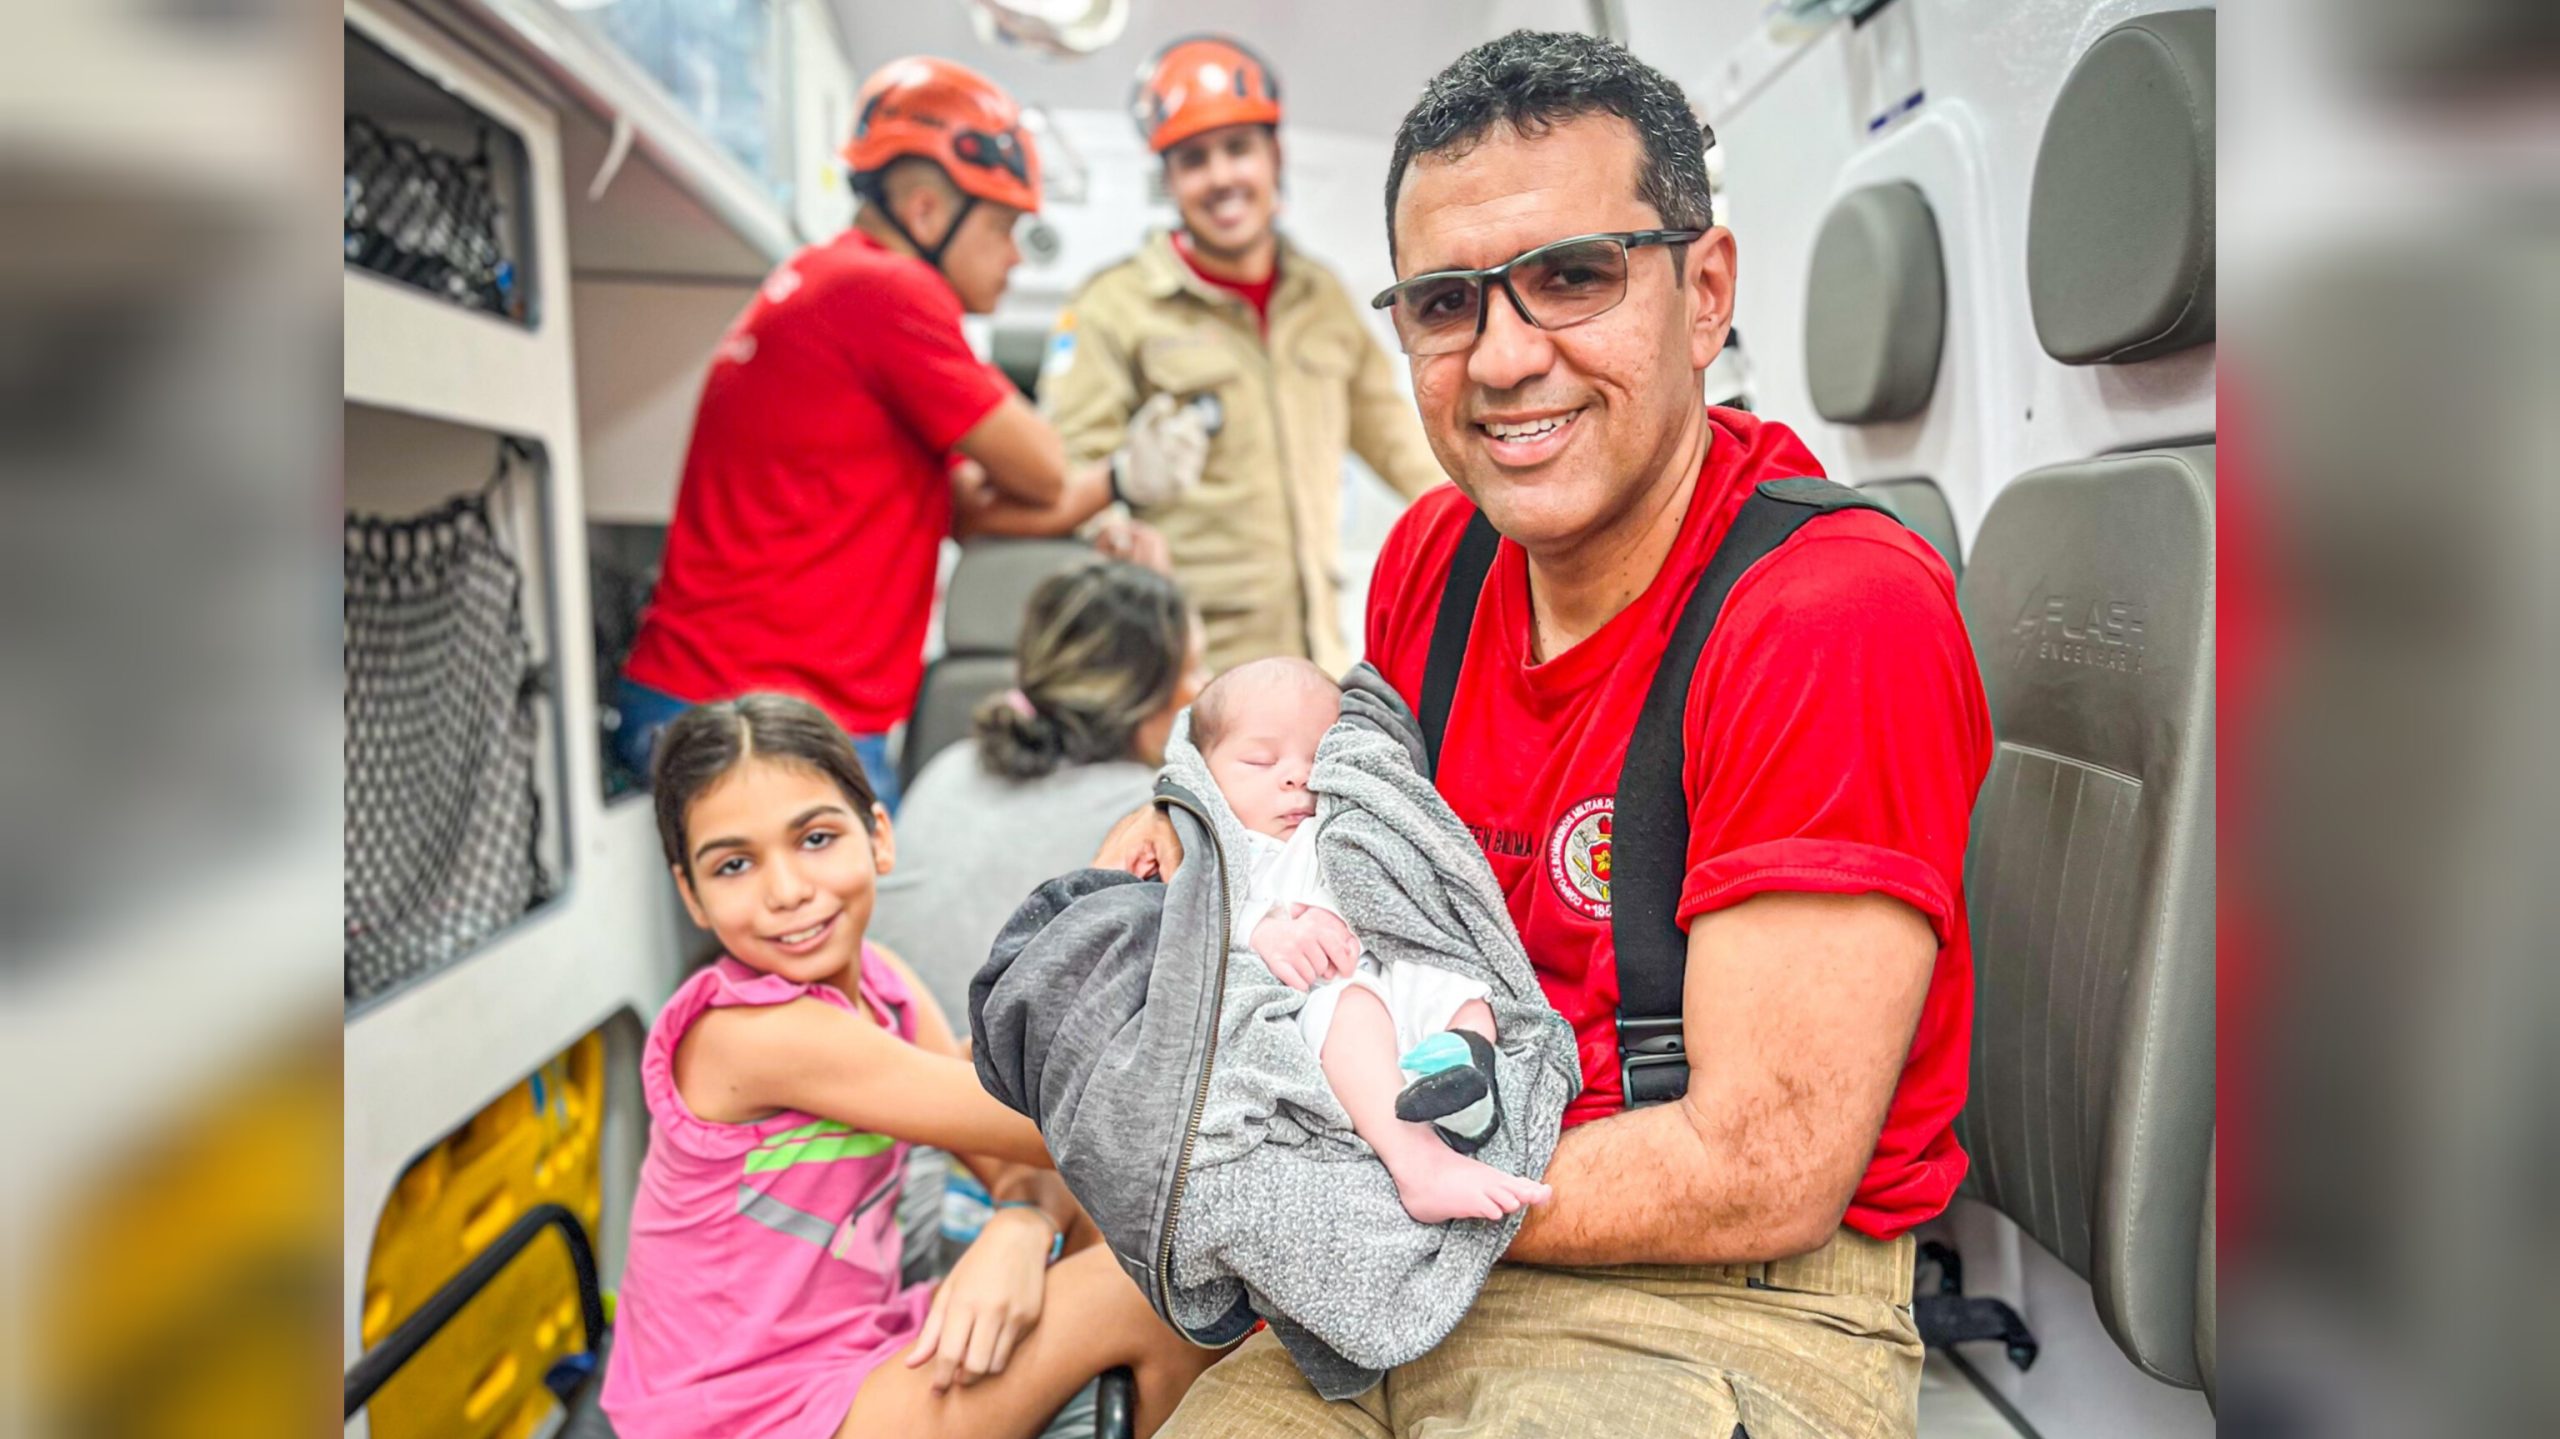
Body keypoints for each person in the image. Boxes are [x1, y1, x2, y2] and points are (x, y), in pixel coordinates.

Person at [1112, 32, 1993, 1437]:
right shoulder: (1433, 558)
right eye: (1449, 304)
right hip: (1420, 1249)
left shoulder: (1829, 617)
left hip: (1723, 1297)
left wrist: (1326, 1187)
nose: (1508, 358)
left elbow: (1761, 1166)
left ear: (1704, 294)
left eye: (1574, 277)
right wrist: (1195, 818)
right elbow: (1328, 825)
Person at [597, 694, 1225, 1439]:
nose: (787, 890)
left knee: (1117, 1215)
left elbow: (1020, 1145)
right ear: (691, 895)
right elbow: (1065, 1127)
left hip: (854, 1355)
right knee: (1153, 1285)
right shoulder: (747, 1033)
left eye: (816, 838)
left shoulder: (882, 982)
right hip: (743, 1416)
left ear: (879, 837)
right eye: (734, 863)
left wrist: (1019, 1223)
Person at [615, 56, 1208, 811]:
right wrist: (1096, 473)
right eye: (1003, 226)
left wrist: (1121, 480)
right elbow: (1043, 469)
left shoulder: (827, 279)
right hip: (761, 719)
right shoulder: (889, 291)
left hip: (714, 700)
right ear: (927, 211)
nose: (1017, 255)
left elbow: (974, 509)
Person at [1040, 35, 1447, 677]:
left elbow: (1400, 442)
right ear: (1169, 178)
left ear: (1273, 155)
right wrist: (1115, 530)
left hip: (1315, 653)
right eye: (1195, 159)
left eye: (1238, 148)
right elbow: (1068, 471)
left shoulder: (1321, 297)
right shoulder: (1115, 306)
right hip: (1184, 669)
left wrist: (1496, 512)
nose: (1222, 176)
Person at [1193, 657, 1549, 1225]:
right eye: (1260, 760)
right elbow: (1192, 912)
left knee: (1459, 988)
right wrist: (1265, 928)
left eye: (1315, 759)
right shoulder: (1224, 845)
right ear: (1202, 774)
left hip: (1383, 961)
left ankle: (1462, 1082)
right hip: (1319, 996)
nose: (1295, 777)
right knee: (1352, 1007)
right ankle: (1418, 1166)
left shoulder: (1332, 820)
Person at [869, 561, 1209, 1021]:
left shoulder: (951, 763)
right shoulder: (1150, 820)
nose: (1205, 687)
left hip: (892, 1040)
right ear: (1141, 695)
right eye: (1192, 669)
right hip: (987, 1077)